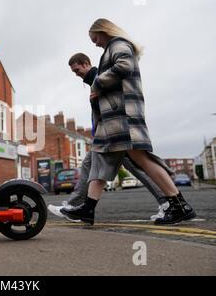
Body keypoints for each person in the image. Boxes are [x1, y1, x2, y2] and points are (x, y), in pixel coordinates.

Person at [60, 19, 196, 225]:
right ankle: (88, 208)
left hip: (123, 115)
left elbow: (124, 66)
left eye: (95, 39)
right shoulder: (112, 48)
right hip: (114, 118)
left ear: (103, 31)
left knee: (141, 160)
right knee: (101, 160)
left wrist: (97, 83)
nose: (95, 43)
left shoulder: (119, 44)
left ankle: (179, 204)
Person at [48, 53, 171, 221]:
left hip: (115, 134)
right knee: (89, 166)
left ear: (85, 64)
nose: (76, 74)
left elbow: (116, 99)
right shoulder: (94, 81)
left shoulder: (100, 77)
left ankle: (168, 202)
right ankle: (75, 206)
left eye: (77, 70)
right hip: (106, 135)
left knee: (139, 169)